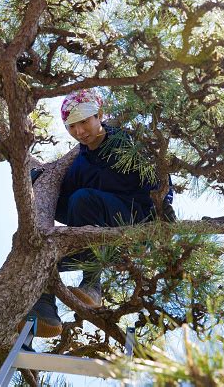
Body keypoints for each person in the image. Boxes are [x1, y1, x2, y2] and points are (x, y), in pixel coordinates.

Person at [27, 89, 175, 338]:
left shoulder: (125, 143)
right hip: (102, 243)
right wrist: (37, 181)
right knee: (41, 253)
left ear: (99, 115)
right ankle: (45, 311)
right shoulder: (79, 164)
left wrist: (165, 208)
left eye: (84, 122)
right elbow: (62, 204)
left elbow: (159, 177)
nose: (79, 132)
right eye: (72, 127)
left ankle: (92, 285)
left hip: (136, 221)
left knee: (83, 199)